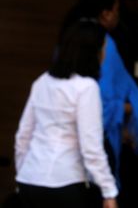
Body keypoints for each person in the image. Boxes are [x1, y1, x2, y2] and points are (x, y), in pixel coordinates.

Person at [15, 19, 118, 208]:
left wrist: (25, 171)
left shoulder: (42, 81)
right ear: (93, 53)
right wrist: (108, 191)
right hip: (65, 182)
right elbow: (91, 147)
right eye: (103, 49)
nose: (104, 55)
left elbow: (23, 136)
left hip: (29, 180)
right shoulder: (87, 88)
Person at [62, 0, 138, 194]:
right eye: (117, 10)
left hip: (61, 151)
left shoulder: (68, 38)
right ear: (105, 13)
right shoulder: (103, 45)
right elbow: (104, 104)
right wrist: (130, 109)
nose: (118, 16)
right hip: (92, 146)